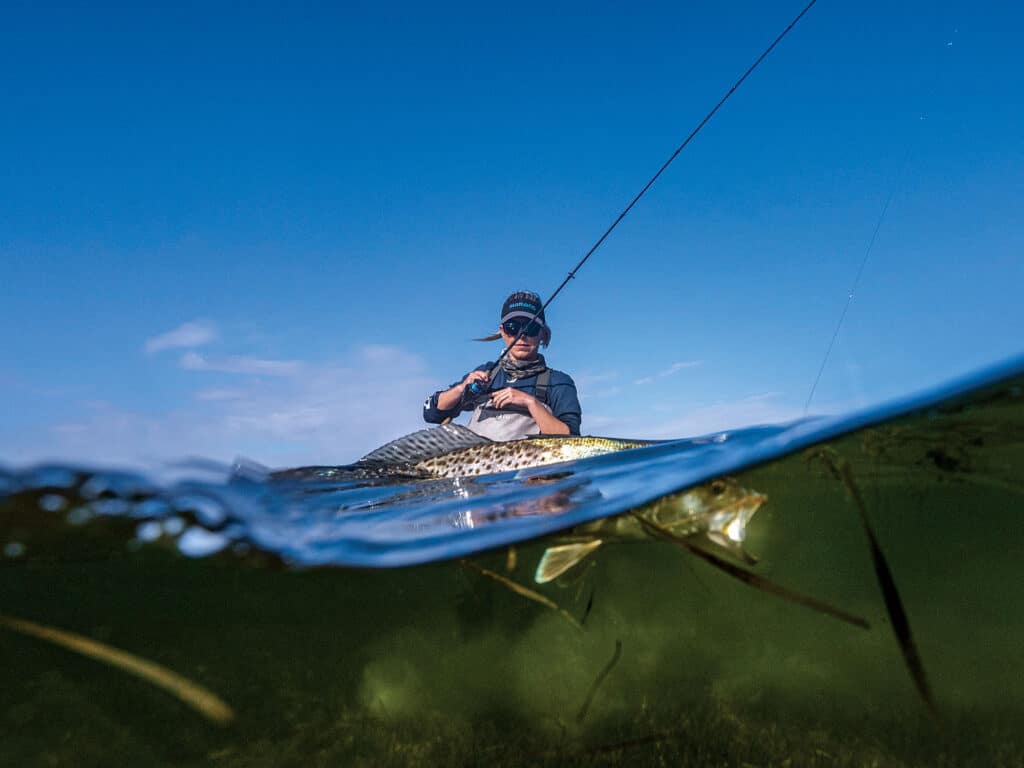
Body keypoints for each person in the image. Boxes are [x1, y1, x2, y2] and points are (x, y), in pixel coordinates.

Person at [422, 291, 581, 440]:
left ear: (543, 334)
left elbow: (572, 440)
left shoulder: (559, 382)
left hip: (531, 469)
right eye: (512, 327)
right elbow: (431, 414)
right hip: (476, 467)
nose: (521, 335)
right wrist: (461, 388)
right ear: (502, 331)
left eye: (530, 328)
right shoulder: (486, 373)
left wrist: (530, 403)